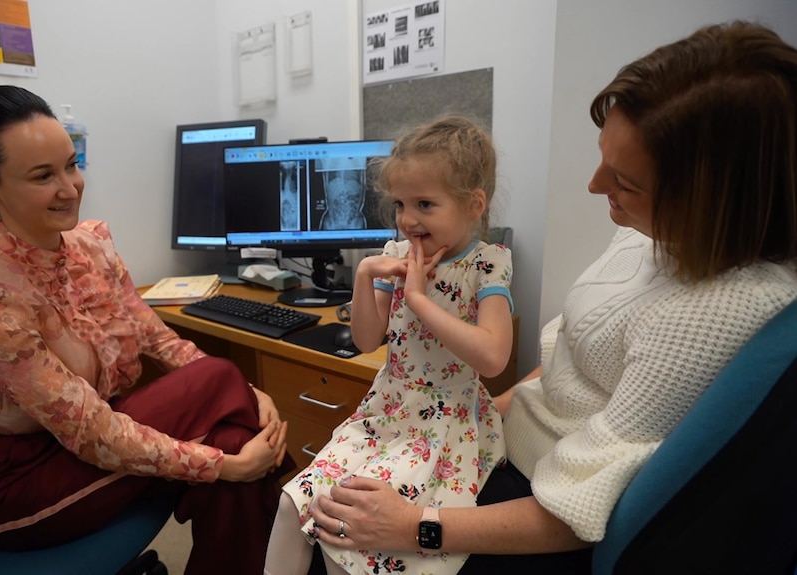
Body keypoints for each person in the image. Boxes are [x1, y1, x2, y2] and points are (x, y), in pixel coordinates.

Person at [305, 20, 797, 574]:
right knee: (321, 499)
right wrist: (472, 419)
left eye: (625, 181)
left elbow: (575, 509)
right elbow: (567, 362)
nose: (593, 185)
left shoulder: (717, 314)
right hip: (494, 439)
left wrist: (414, 524)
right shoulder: (651, 235)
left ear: (716, 200)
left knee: (338, 542)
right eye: (603, 158)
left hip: (540, 505)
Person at [0, 85, 294, 575]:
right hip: (20, 486)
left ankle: (280, 548)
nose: (69, 187)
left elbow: (160, 340)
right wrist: (223, 463)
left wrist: (250, 396)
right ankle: (297, 535)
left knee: (231, 419)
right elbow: (89, 430)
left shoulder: (91, 245)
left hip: (97, 436)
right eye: (44, 176)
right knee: (227, 429)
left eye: (71, 164)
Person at [264, 116, 515, 575]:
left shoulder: (486, 266)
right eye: (400, 203)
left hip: (445, 425)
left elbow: (494, 356)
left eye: (425, 204)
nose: (407, 219)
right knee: (292, 504)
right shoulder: (396, 255)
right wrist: (366, 276)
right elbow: (365, 339)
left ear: (474, 205)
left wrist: (419, 299)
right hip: (386, 409)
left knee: (349, 542)